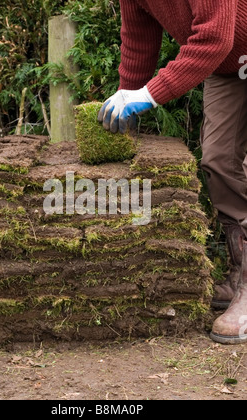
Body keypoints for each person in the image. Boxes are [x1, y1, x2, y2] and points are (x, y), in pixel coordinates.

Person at [98, 0, 247, 345]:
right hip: (231, 67)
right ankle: (240, 271)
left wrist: (149, 95)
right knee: (218, 159)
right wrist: (127, 95)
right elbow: (138, 39)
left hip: (227, 49)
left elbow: (214, 38)